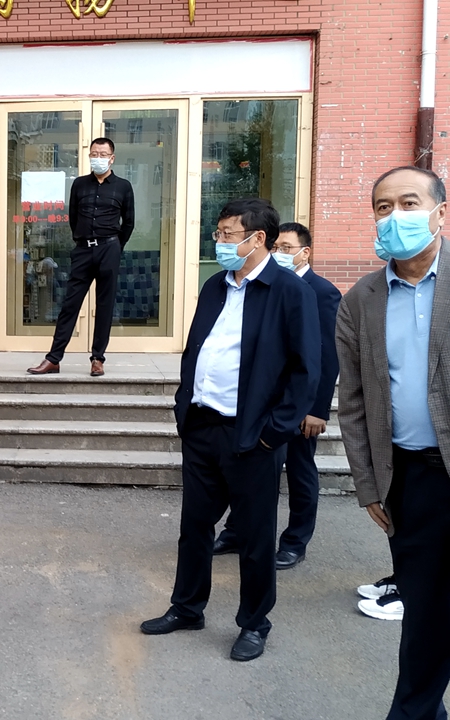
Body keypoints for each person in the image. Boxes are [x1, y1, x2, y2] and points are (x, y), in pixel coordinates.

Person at [140, 198, 320, 662]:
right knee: (194, 527)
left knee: (255, 539)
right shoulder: (215, 286)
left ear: (257, 238)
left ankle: (254, 623)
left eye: (226, 234)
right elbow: (197, 348)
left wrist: (273, 432)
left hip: (253, 435)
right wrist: (184, 406)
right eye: (218, 233)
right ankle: (187, 608)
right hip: (202, 426)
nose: (218, 242)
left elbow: (306, 370)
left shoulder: (288, 291)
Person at [337, 166, 450, 719]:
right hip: (411, 479)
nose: (394, 216)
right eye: (383, 207)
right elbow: (354, 401)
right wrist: (368, 484)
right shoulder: (361, 299)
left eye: (408, 203)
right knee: (425, 611)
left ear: (440, 214)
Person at [213, 222, 342, 569]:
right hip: (262, 403)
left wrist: (317, 409)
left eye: (287, 248)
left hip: (299, 407)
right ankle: (236, 530)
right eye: (277, 248)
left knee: (300, 473)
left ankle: (295, 541)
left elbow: (325, 355)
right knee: (248, 472)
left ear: (305, 252)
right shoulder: (264, 285)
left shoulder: (322, 292)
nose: (280, 254)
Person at [28, 137, 135, 378]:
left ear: (112, 158)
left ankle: (98, 359)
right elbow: (73, 218)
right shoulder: (79, 184)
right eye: (94, 154)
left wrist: (116, 246)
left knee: (105, 306)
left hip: (109, 248)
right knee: (70, 304)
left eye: (103, 154)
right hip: (83, 250)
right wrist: (82, 241)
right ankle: (53, 359)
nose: (98, 158)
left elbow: (128, 222)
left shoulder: (123, 186)